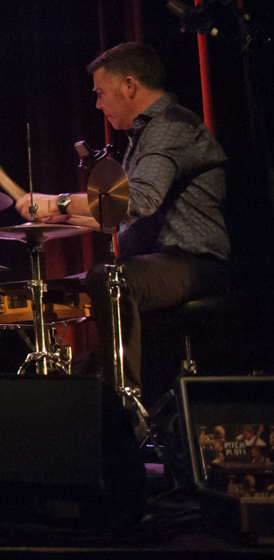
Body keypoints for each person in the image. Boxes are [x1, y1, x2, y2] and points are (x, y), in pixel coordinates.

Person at [14, 42, 230, 394]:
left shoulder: (171, 126)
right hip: (164, 263)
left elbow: (138, 201)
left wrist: (59, 202)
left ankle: (123, 405)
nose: (98, 104)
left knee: (112, 279)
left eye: (101, 93)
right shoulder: (144, 135)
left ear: (129, 85)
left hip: (197, 264)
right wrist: (57, 219)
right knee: (89, 280)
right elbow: (116, 218)